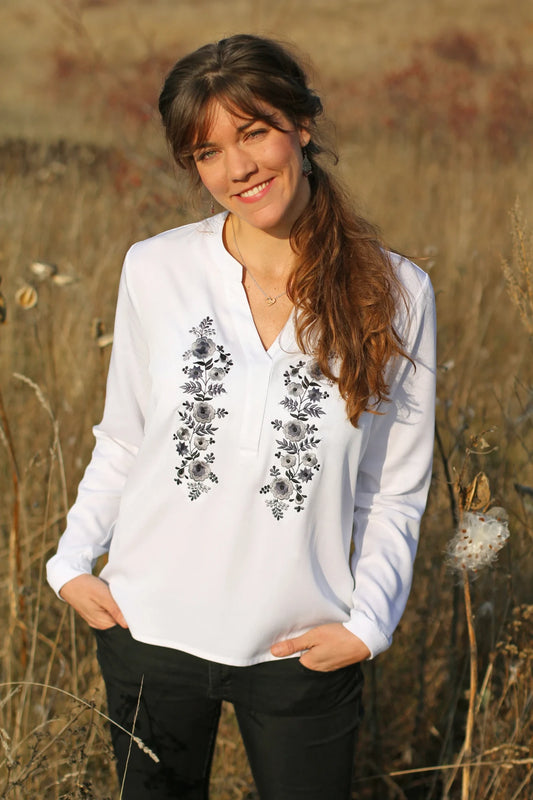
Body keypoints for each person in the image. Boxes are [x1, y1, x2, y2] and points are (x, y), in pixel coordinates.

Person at [47, 34, 436, 800]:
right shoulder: (155, 268)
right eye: (206, 151)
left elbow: (393, 488)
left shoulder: (395, 290)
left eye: (253, 132)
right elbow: (123, 436)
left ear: (301, 126)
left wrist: (367, 623)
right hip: (146, 630)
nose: (237, 169)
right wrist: (70, 563)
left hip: (301, 645)